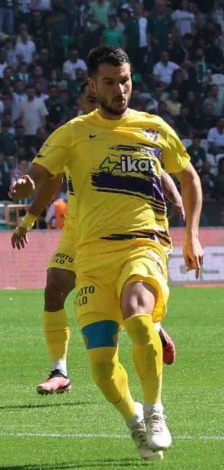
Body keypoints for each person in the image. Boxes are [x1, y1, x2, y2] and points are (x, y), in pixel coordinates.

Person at [10, 47, 204, 461]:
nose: (121, 89)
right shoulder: (73, 132)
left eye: (126, 80)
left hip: (143, 243)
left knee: (136, 313)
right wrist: (27, 189)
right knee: (100, 363)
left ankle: (155, 412)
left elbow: (187, 177)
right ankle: (134, 421)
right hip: (91, 256)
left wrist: (192, 235)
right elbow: (42, 173)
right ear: (93, 85)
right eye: (112, 82)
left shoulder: (153, 127)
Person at [10, 82, 181, 396]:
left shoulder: (124, 128)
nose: (95, 104)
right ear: (82, 99)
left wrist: (175, 196)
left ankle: (151, 325)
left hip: (117, 228)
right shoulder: (73, 134)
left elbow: (155, 165)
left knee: (118, 289)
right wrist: (29, 219)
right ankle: (59, 370)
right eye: (89, 99)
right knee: (53, 289)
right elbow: (52, 179)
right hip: (79, 227)